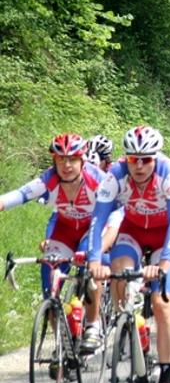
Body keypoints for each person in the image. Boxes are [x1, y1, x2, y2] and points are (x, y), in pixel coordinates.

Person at [88, 125, 170, 383]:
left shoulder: (168, 173)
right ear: (126, 159)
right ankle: (136, 340)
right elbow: (98, 219)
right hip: (132, 231)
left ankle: (166, 381)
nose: (140, 166)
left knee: (161, 302)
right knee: (120, 275)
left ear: (155, 158)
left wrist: (164, 263)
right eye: (134, 159)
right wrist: (94, 261)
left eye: (146, 160)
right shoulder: (115, 175)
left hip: (164, 237)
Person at [0, 134, 120, 354]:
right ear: (54, 160)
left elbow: (118, 210)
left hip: (93, 228)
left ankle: (92, 326)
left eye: (72, 159)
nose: (66, 165)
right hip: (65, 230)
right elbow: (20, 195)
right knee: (50, 278)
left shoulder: (98, 180)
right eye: (61, 159)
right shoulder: (49, 179)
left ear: (82, 160)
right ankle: (62, 342)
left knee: (90, 267)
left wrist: (103, 244)